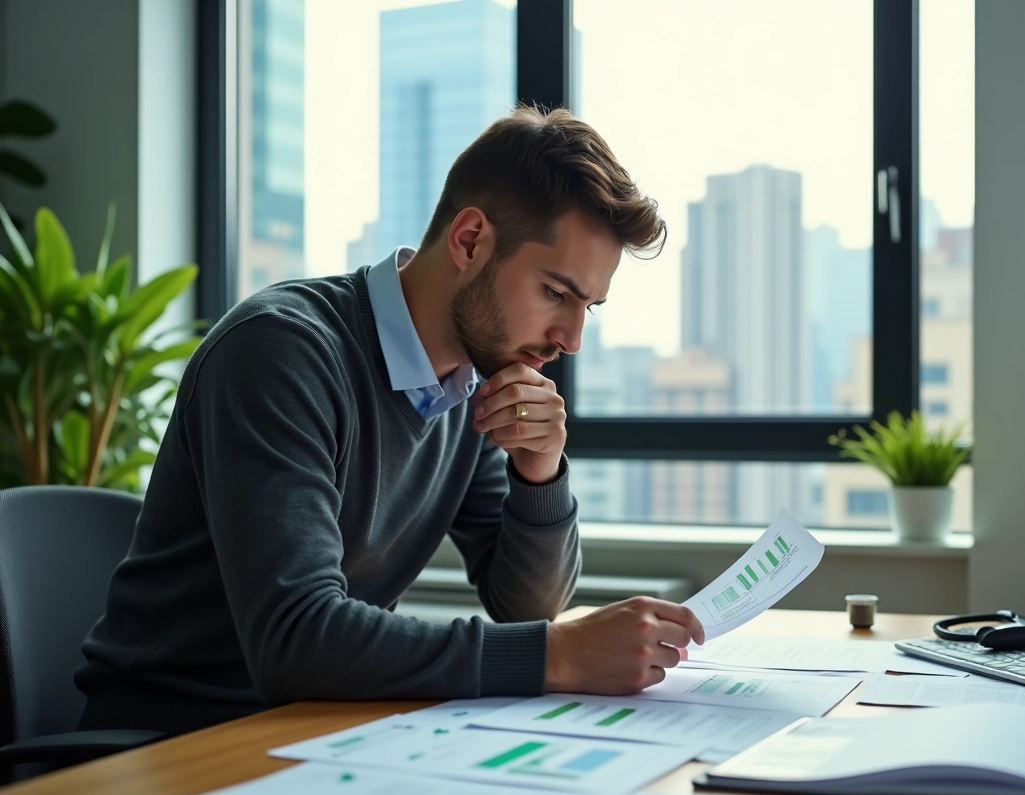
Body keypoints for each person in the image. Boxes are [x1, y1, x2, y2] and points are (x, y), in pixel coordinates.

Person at [76, 106, 705, 737]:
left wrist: (538, 475)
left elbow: (526, 606)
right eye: (555, 293)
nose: (571, 339)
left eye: (588, 306)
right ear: (469, 240)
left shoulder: (471, 384)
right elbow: (295, 639)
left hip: (321, 732)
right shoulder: (280, 352)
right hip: (172, 741)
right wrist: (560, 655)